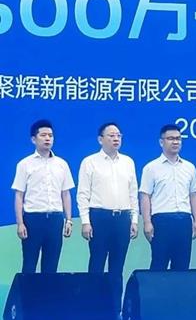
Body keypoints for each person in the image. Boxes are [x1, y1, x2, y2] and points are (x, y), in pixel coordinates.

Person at [77, 122, 139, 313]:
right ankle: (93, 308)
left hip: (122, 219)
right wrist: (85, 221)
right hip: (99, 218)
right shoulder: (90, 162)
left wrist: (134, 220)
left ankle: (114, 310)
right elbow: (83, 194)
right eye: (111, 135)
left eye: (118, 135)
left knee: (117, 268)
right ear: (100, 139)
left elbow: (133, 193)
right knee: (96, 265)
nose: (116, 139)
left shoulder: (128, 162)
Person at [12, 119, 75, 273]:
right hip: (33, 219)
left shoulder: (62, 164)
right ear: (33, 139)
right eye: (43, 135)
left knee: (51, 266)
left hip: (55, 220)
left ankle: (48, 290)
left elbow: (65, 194)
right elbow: (19, 195)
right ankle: (28, 290)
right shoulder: (25, 164)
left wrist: (68, 220)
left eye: (50, 136)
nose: (48, 138)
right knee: (29, 264)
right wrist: (20, 223)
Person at [139, 124, 196, 270]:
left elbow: (193, 195)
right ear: (161, 142)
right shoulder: (151, 168)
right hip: (161, 221)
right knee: (159, 265)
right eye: (171, 138)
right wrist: (147, 222)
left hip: (184, 221)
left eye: (178, 138)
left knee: (182, 266)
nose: (175, 142)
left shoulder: (189, 167)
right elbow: (145, 196)